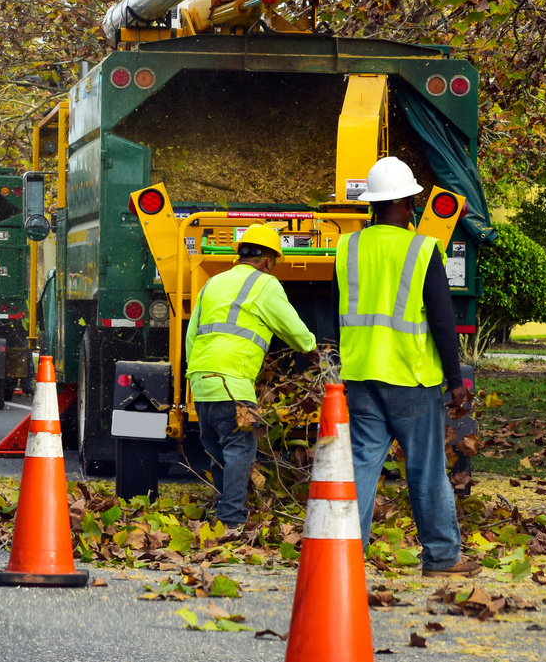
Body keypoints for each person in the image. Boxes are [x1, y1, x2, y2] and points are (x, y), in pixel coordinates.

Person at [333, 156, 480, 578]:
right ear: (407, 202)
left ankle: (344, 561)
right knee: (426, 467)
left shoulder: (348, 247)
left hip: (361, 376)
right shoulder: (421, 249)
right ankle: (442, 558)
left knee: (362, 465)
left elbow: (334, 311)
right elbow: (441, 320)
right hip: (411, 377)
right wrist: (456, 382)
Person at [186, 223, 319, 530]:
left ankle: (221, 512)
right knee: (239, 449)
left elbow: (192, 336)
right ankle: (231, 519)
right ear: (269, 260)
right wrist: (311, 349)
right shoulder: (265, 284)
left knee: (219, 451)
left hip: (203, 385)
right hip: (233, 385)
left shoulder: (212, 283)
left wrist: (198, 375)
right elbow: (291, 325)